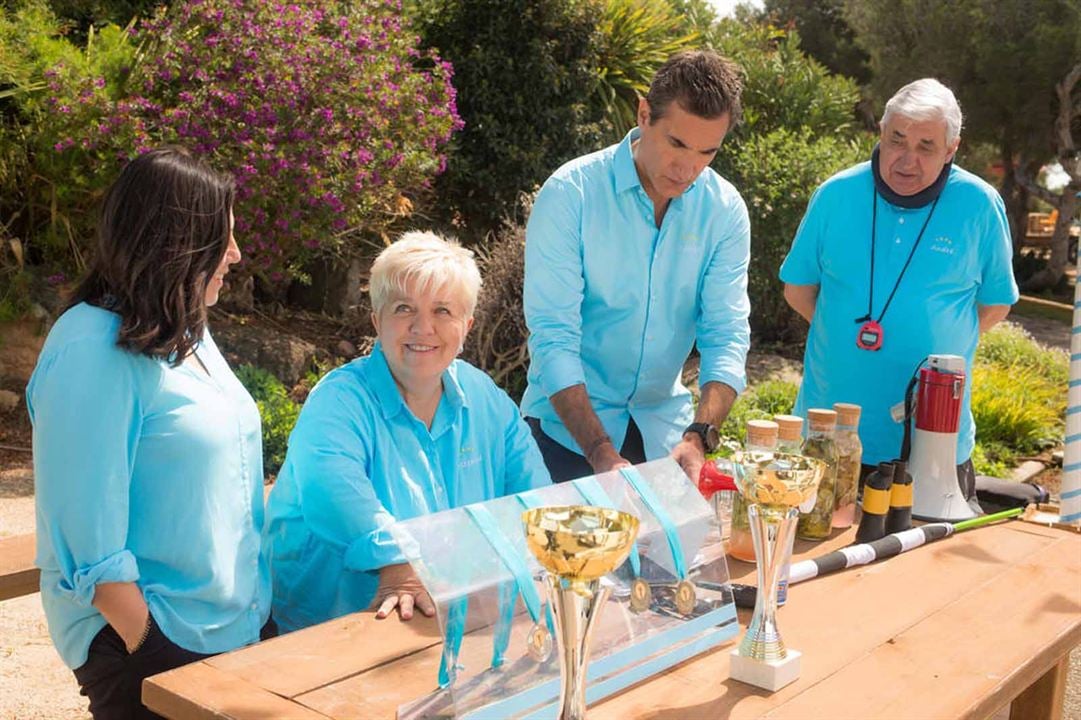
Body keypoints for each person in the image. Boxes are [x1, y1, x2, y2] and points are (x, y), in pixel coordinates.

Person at [27, 147, 273, 719]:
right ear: (175, 244)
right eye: (223, 240)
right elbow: (86, 539)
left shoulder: (184, 329)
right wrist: (151, 645)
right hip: (153, 646)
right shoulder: (93, 348)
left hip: (224, 632)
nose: (236, 256)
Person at [263, 231, 551, 632]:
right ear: (376, 320)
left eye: (442, 311)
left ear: (466, 326)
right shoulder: (338, 401)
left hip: (453, 616)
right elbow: (334, 495)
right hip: (334, 629)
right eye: (404, 309)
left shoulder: (487, 399)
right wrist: (399, 563)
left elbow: (534, 499)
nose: (423, 327)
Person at [521, 50, 751, 484]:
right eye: (677, 144)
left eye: (707, 152)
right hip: (566, 438)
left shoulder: (725, 211)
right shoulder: (570, 195)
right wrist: (600, 452)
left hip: (665, 439)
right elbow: (554, 339)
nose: (688, 169)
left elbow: (727, 333)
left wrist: (700, 435)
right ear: (644, 114)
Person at [780, 78, 1018, 495]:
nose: (907, 160)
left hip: (934, 444)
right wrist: (841, 333)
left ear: (951, 149)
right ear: (881, 134)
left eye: (926, 146)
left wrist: (936, 349)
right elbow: (798, 290)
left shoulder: (980, 205)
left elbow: (995, 305)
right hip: (827, 438)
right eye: (897, 140)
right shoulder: (834, 195)